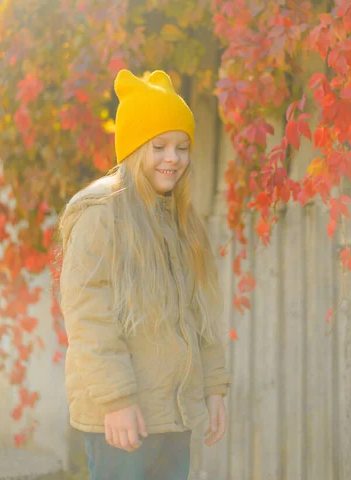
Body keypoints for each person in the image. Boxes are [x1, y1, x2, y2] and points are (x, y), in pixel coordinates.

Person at [58, 69, 231, 480]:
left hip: (172, 416)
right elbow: (88, 318)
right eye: (160, 146)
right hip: (121, 420)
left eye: (182, 147)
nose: (173, 158)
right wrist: (117, 400)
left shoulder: (181, 222)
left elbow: (198, 315)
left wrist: (214, 388)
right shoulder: (101, 217)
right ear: (134, 148)